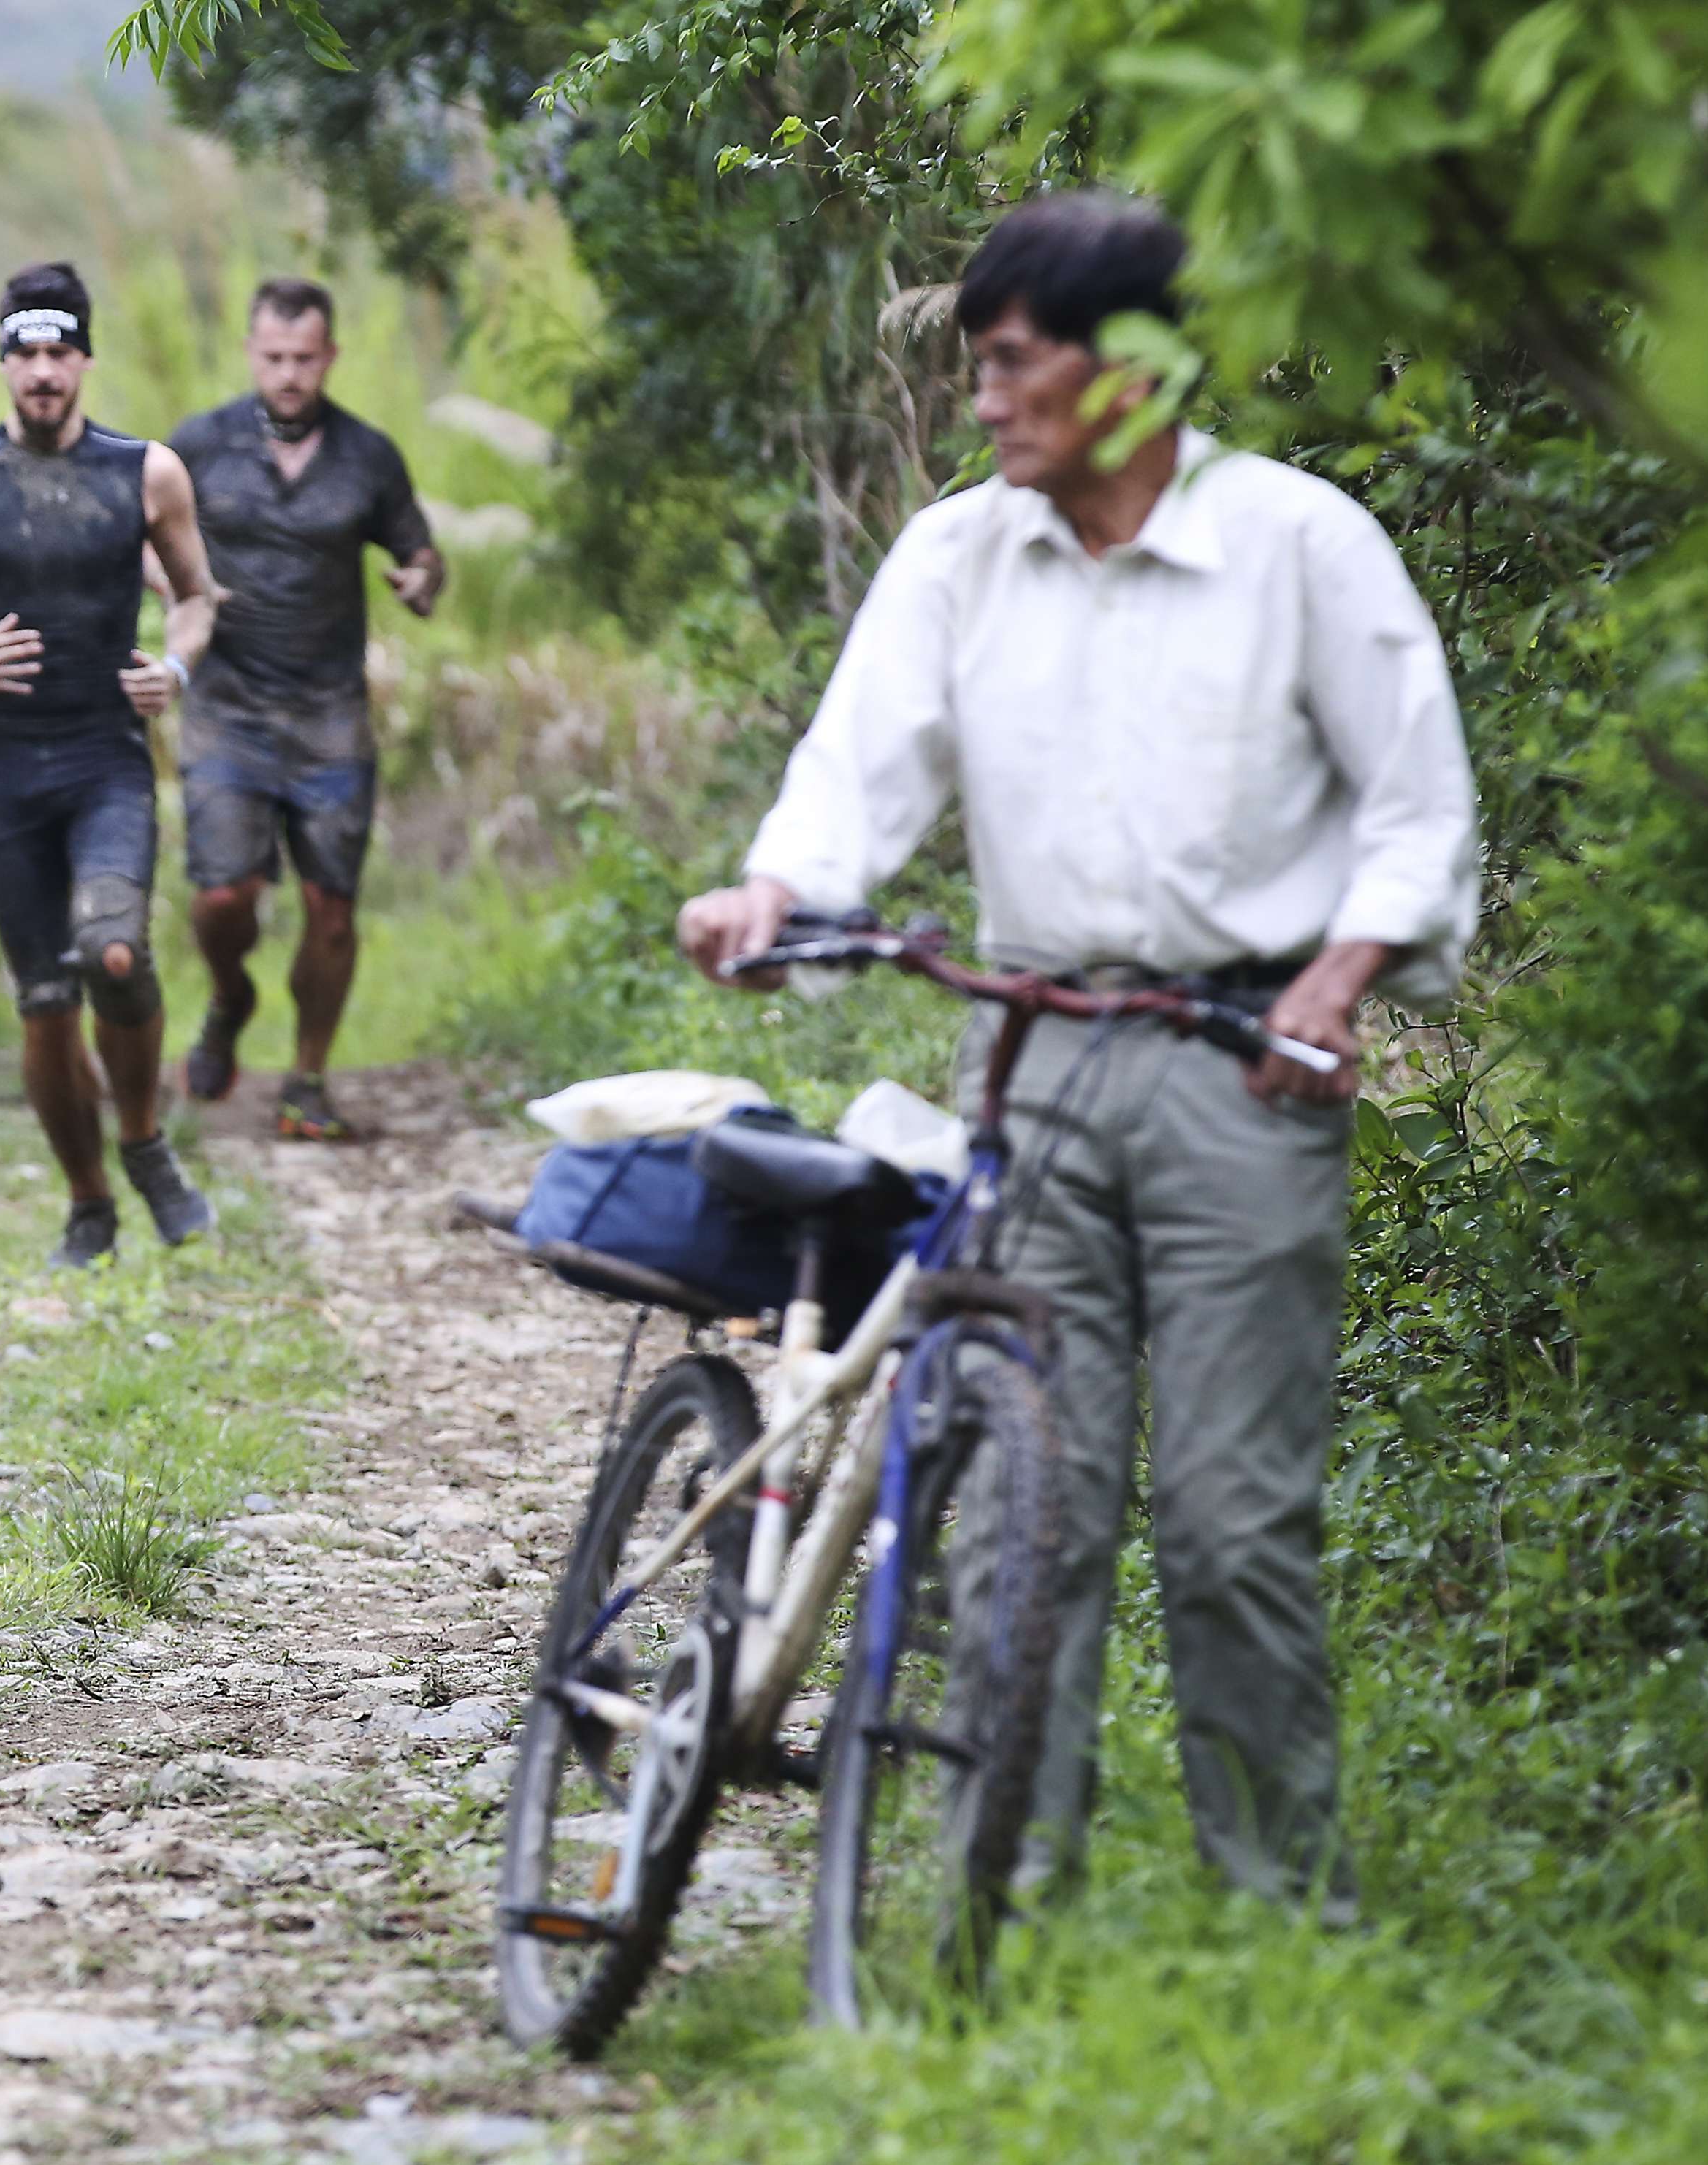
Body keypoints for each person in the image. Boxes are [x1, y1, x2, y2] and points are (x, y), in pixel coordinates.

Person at [676, 192, 1479, 1920]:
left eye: (1011, 360)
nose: (982, 399)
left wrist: (1338, 982)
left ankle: (1283, 1913)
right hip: (1031, 1069)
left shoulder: (1301, 546)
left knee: (1232, 1517)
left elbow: (1419, 814)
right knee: (1015, 1518)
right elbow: (856, 775)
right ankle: (994, 1898)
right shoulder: (959, 555)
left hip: (1242, 1065)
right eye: (976, 364)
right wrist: (771, 894)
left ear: (1129, 369)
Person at [0, 262, 220, 1269]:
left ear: (83, 361)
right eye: (23, 353)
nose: (41, 371)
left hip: (107, 758)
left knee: (114, 953)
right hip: (4, 772)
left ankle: (146, 1146)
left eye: (58, 351)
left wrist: (175, 665)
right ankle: (89, 1206)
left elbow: (198, 597)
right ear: (2, 364)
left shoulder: (146, 473)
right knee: (42, 998)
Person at [166, 278, 444, 1140]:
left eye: (305, 358)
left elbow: (422, 552)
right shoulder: (198, 447)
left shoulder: (368, 456)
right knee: (222, 897)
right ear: (252, 352)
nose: (289, 373)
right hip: (227, 707)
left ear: (330, 356)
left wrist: (422, 580)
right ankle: (229, 995)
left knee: (332, 908)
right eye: (274, 357)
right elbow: (141, 542)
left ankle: (309, 1078)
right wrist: (179, 590)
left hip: (330, 716)